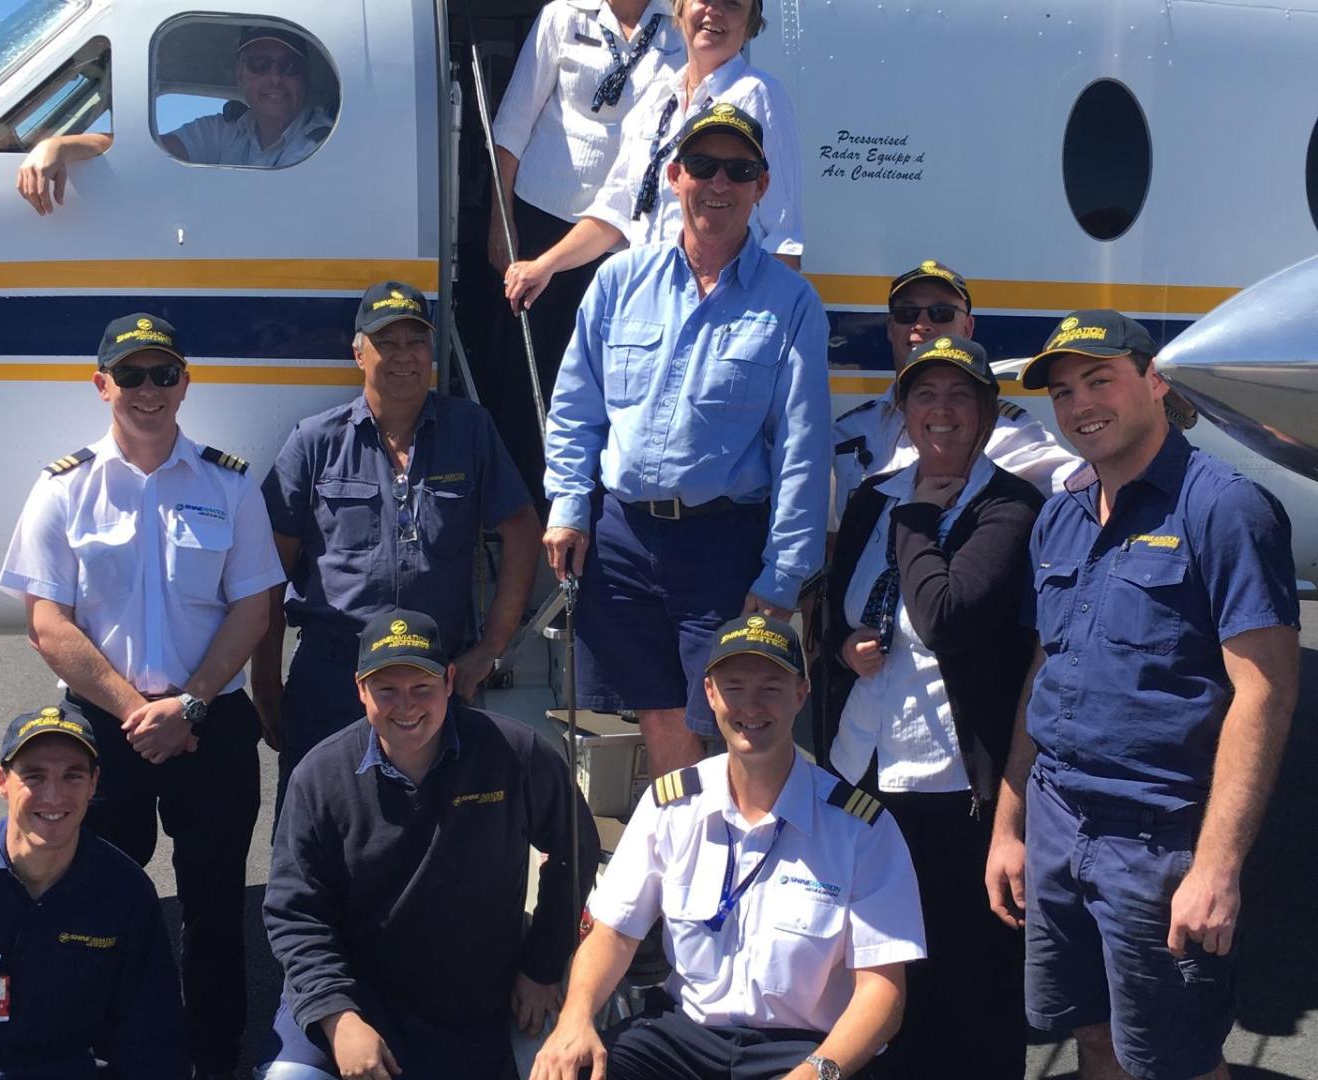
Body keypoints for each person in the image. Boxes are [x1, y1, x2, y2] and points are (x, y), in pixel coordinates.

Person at [985, 310, 1301, 1080]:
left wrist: (1217, 868)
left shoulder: (1223, 509)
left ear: (1155, 381)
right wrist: (1010, 824)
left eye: (1100, 380)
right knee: (1091, 1036)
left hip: (1158, 841)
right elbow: (1043, 671)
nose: (1080, 404)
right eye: (1062, 392)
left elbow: (1265, 695)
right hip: (1059, 820)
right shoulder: (1059, 515)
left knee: (1176, 1062)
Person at [0, 313, 286, 1079]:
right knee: (93, 904)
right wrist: (138, 713)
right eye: (131, 375)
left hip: (210, 724)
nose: (148, 391)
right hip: (103, 730)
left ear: (186, 383)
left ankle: (213, 1059)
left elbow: (255, 608)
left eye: (163, 374)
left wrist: (187, 706)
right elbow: (46, 624)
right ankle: (99, 1053)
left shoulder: (229, 482)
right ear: (102, 386)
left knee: (215, 909)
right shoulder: (63, 488)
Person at [543, 102, 829, 777]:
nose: (718, 183)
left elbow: (802, 452)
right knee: (658, 711)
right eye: (702, 165)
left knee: (736, 717)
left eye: (740, 169)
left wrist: (784, 575)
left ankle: (733, 860)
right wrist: (568, 506)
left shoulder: (792, 303)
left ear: (761, 187)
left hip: (722, 543)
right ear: (674, 176)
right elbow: (575, 407)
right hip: (622, 540)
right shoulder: (617, 280)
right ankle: (683, 860)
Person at [531, 614, 925, 1080]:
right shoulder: (670, 807)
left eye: (771, 689)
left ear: (801, 694)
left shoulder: (862, 829)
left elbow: (882, 992)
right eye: (734, 687)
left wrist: (815, 1071)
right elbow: (613, 934)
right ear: (711, 694)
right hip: (685, 1038)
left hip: (807, 1048)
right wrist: (575, 1019)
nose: (751, 706)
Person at [823, 336, 1042, 1078]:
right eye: (924, 396)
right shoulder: (870, 498)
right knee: (881, 966)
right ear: (903, 412)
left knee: (969, 977)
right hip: (864, 769)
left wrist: (917, 517)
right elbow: (832, 616)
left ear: (985, 412)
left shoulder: (1008, 505)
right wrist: (844, 646)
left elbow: (946, 615)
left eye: (958, 396)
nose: (940, 412)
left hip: (955, 783)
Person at [259, 608, 600, 1080]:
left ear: (449, 681)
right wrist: (338, 1018)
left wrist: (542, 966)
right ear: (360, 689)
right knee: (290, 1078)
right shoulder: (320, 777)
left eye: (422, 688)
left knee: (566, 1064)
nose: (407, 706)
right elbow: (294, 912)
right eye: (387, 690)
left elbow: (575, 851)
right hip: (357, 990)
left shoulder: (514, 753)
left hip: (481, 991)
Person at [255, 282, 541, 803]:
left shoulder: (469, 430)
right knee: (315, 831)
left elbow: (522, 529)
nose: (404, 356)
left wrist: (490, 649)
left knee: (436, 834)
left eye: (417, 341)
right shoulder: (315, 442)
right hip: (331, 672)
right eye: (388, 342)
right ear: (358, 352)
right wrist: (267, 684)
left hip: (432, 674)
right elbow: (267, 573)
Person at [0, 705, 187, 1079]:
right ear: (1, 781)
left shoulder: (125, 891)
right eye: (34, 776)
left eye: (72, 776)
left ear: (94, 783)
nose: (54, 796)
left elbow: (153, 1032)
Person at [488, 0, 683, 499]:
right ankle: (523, 511)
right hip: (543, 226)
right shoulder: (563, 14)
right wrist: (500, 219)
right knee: (532, 374)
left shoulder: (683, 22)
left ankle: (594, 509)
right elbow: (511, 125)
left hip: (628, 234)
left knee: (607, 376)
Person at [504, 0, 801, 315]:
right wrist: (545, 266)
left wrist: (765, 327)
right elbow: (615, 211)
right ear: (680, 9)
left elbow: (783, 236)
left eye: (732, 4)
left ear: (751, 24)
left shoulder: (759, 97)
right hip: (645, 308)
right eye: (704, 0)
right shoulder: (657, 99)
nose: (715, 11)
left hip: (720, 311)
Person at [829, 260, 1078, 528]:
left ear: (968, 328)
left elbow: (1079, 488)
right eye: (907, 312)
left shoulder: (1008, 432)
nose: (922, 324)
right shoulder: (847, 432)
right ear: (890, 327)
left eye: (941, 312)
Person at [17, 26, 333, 214]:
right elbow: (140, 148)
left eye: (289, 66)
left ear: (305, 77)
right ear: (240, 74)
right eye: (261, 65)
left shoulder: (324, 141)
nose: (275, 78)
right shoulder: (224, 131)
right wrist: (57, 146)